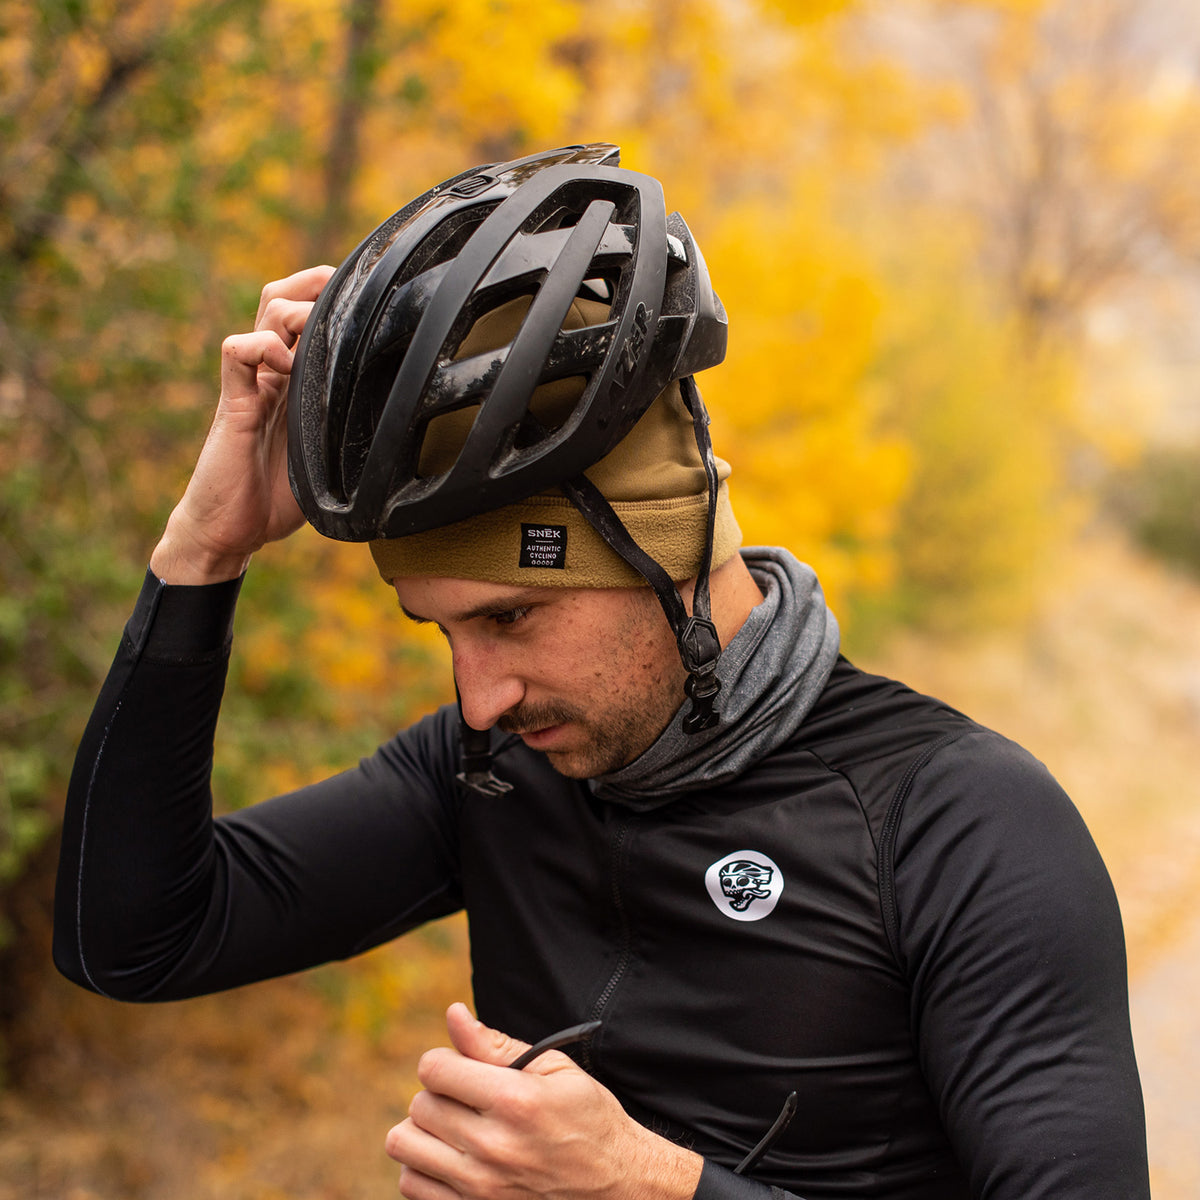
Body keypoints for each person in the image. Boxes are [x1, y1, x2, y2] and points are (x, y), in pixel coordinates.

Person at [53, 144, 1150, 1200]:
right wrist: (203, 554)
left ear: (667, 546)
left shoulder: (959, 822)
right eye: (442, 633)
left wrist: (653, 1185)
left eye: (512, 617)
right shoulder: (488, 768)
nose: (477, 696)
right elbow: (135, 938)